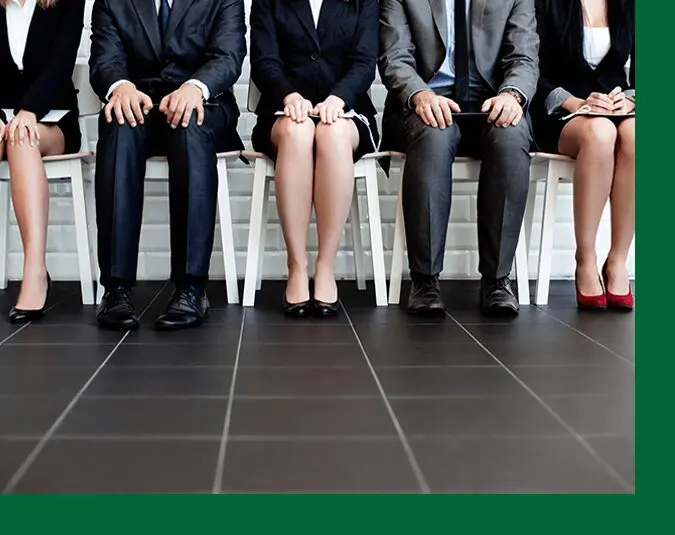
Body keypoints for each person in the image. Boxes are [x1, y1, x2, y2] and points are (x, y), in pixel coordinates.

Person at [89, 0, 246, 331]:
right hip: (140, 103)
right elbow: (105, 60)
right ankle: (116, 289)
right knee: (120, 124)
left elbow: (228, 55)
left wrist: (194, 87)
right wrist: (122, 87)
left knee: (189, 124)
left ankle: (191, 288)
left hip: (202, 105)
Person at [379, 0, 539, 317]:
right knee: (434, 134)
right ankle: (424, 280)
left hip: (492, 99)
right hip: (427, 99)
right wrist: (420, 94)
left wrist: (512, 95)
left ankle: (497, 280)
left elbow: (524, 57)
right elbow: (394, 58)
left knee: (511, 136)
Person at [250, 0, 379, 317]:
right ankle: (296, 264)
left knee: (331, 134)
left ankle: (325, 266)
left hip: (347, 110)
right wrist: (289, 95)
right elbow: (264, 61)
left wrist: (338, 97)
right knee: (298, 132)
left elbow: (364, 63)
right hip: (284, 110)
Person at [532, 0, 635, 310]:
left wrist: (630, 100)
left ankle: (617, 260)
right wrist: (574, 103)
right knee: (600, 133)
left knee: (638, 137)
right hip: (560, 112)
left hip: (614, 108)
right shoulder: (544, 4)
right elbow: (527, 66)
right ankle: (586, 259)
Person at [0, 0, 85, 324]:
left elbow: (61, 65)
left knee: (22, 138)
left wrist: (28, 110)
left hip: (50, 120)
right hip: (2, 120)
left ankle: (34, 272)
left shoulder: (66, 3)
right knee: (14, 134)